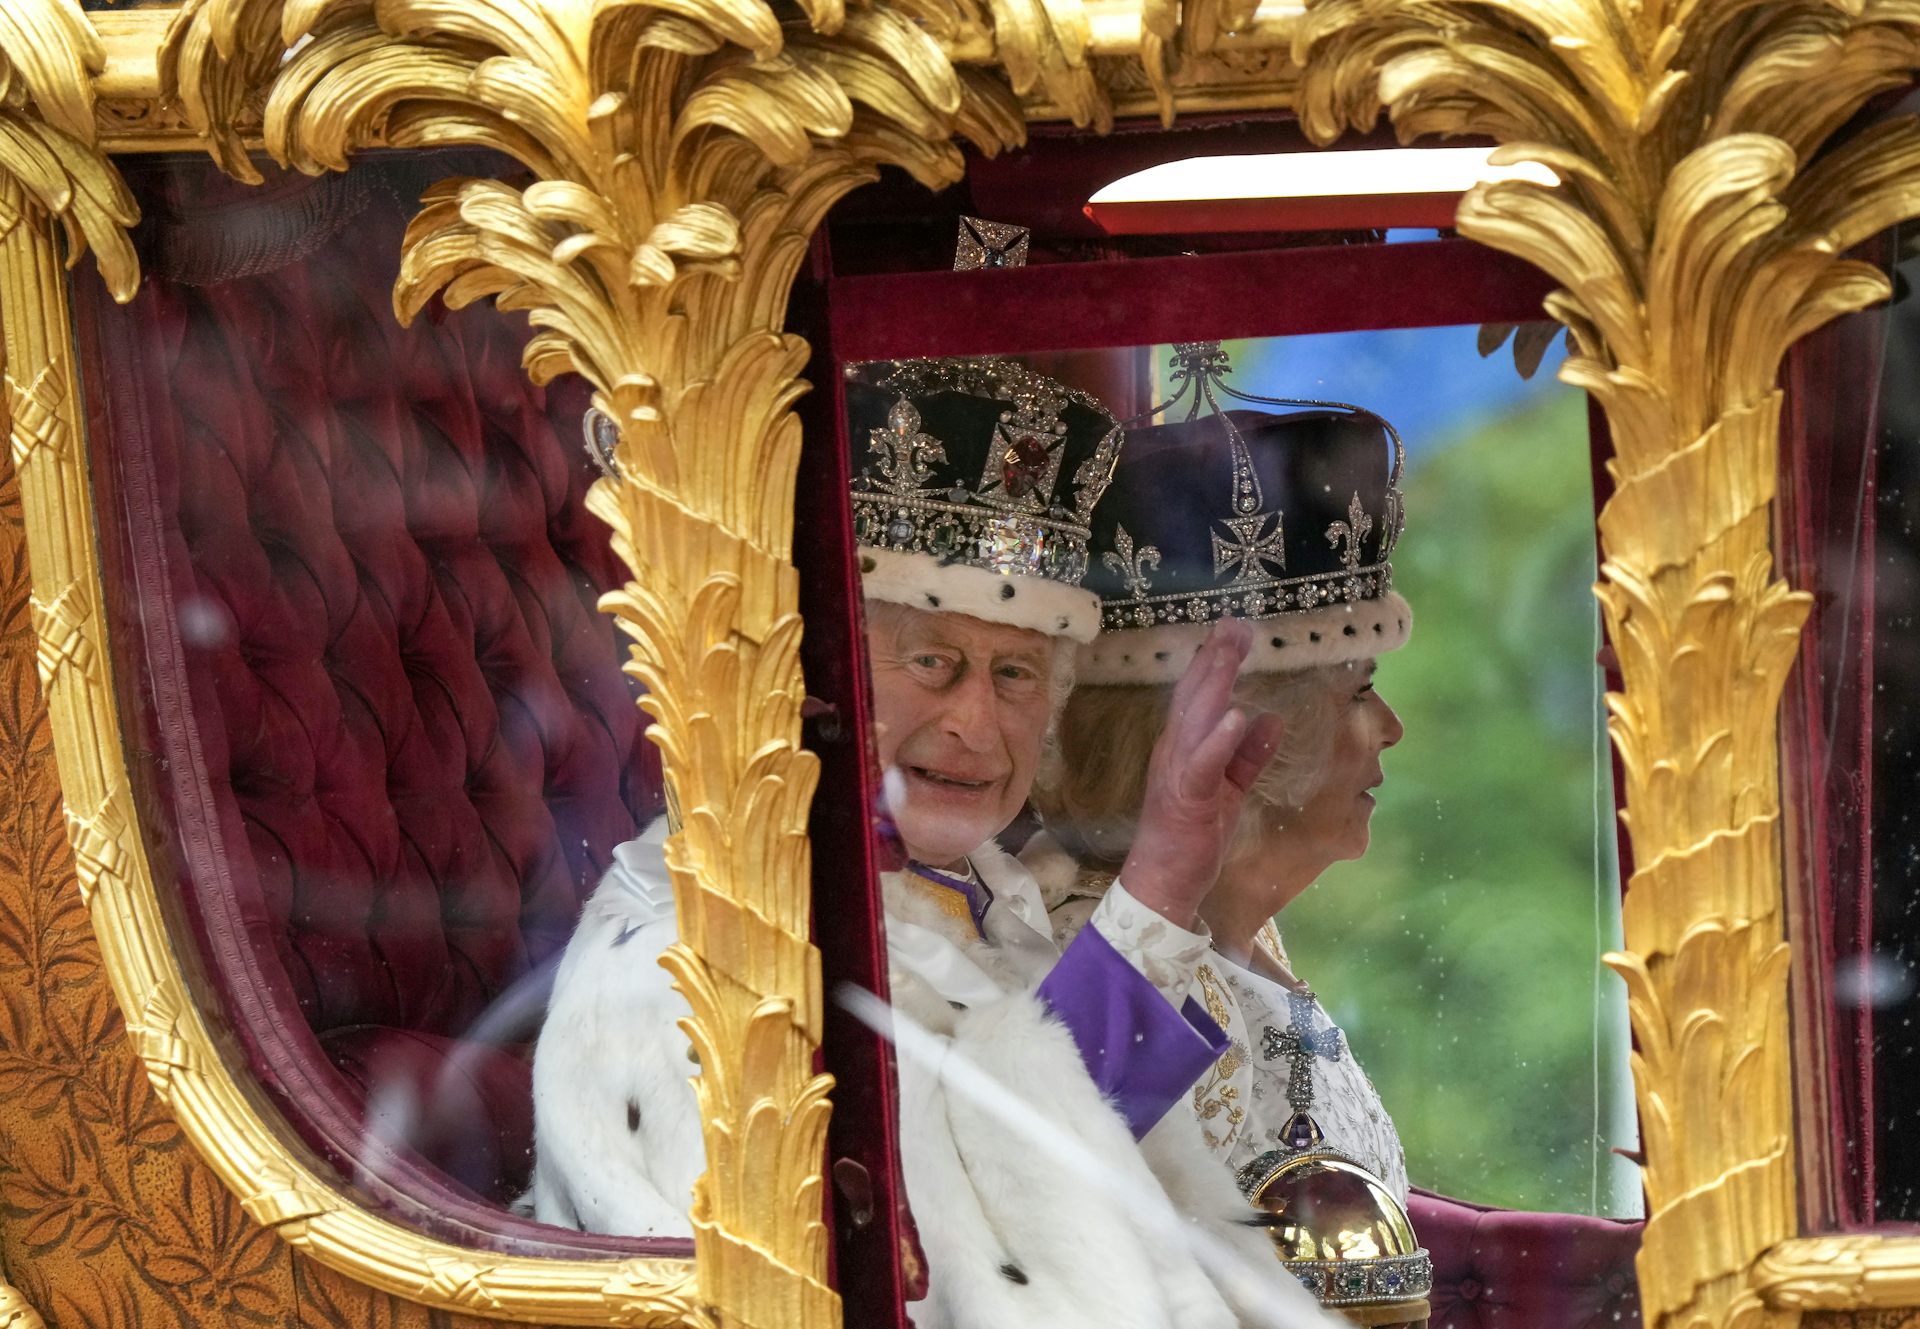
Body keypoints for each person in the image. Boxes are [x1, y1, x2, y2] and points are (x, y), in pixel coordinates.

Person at [523, 356, 1336, 1328]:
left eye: (1016, 675)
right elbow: (937, 1258)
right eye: (932, 662)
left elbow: (1069, 1179)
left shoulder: (992, 896)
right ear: (811, 672)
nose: (975, 724)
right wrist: (1157, 883)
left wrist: (1164, 872)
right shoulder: (689, 959)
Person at [1030, 388, 1415, 1206]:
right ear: (1239, 734)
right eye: (1358, 691)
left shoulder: (1246, 934)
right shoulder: (1109, 965)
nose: (1392, 727)